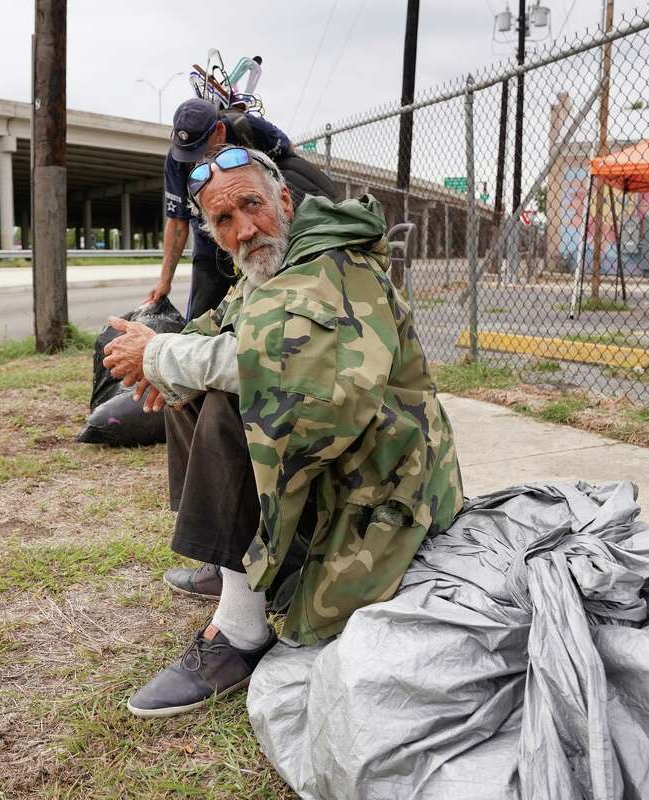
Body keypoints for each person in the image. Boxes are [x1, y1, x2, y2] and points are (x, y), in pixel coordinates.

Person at [103, 146, 464, 718]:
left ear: (285, 200)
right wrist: (156, 363)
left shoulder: (334, 262)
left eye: (253, 205)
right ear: (213, 234)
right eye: (224, 220)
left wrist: (167, 357)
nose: (245, 229)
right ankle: (231, 564)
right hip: (333, 467)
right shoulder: (263, 270)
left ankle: (241, 633)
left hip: (388, 479)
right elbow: (212, 333)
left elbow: (299, 378)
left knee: (233, 395)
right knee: (189, 385)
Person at [144, 98, 293, 321]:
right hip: (211, 241)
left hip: (265, 232)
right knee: (203, 314)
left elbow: (291, 157)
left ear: (220, 130)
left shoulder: (251, 129)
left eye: (200, 148)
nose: (196, 158)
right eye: (189, 152)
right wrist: (165, 282)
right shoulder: (176, 161)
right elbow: (177, 222)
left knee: (271, 306)